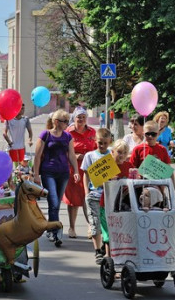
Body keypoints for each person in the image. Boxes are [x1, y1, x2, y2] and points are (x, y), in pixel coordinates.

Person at [33, 110, 79, 247]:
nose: (67, 124)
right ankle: (56, 232)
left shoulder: (67, 136)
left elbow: (71, 155)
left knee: (56, 203)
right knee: (53, 201)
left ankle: (51, 227)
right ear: (56, 122)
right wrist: (36, 175)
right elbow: (37, 155)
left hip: (63, 173)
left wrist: (76, 170)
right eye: (65, 121)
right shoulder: (45, 135)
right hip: (48, 172)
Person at [62, 107, 97, 239]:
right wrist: (74, 156)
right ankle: (72, 227)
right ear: (74, 118)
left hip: (89, 171)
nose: (81, 119)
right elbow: (62, 150)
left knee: (88, 198)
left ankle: (90, 226)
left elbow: (97, 148)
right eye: (78, 117)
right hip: (73, 169)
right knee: (72, 200)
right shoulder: (68, 133)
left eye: (83, 117)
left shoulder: (92, 132)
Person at [81, 128, 112, 263]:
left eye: (105, 143)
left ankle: (107, 250)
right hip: (94, 194)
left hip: (109, 195)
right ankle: (97, 250)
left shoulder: (111, 155)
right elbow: (86, 175)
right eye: (100, 143)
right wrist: (86, 192)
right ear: (96, 141)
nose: (102, 146)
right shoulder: (90, 156)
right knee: (95, 222)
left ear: (109, 142)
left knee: (108, 223)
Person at [100, 139, 134, 259]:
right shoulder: (107, 165)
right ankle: (108, 255)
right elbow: (98, 183)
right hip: (107, 203)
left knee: (122, 230)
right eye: (119, 152)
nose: (122, 155)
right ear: (113, 152)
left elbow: (134, 181)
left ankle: (122, 254)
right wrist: (108, 180)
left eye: (125, 152)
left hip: (123, 204)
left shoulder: (129, 166)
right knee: (109, 231)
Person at [130, 121, 175, 195]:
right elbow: (132, 168)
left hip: (158, 187)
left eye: (153, 134)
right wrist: (137, 174)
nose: (150, 136)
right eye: (147, 134)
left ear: (158, 134)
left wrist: (174, 188)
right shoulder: (138, 149)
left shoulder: (162, 149)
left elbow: (169, 171)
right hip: (141, 185)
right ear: (143, 133)